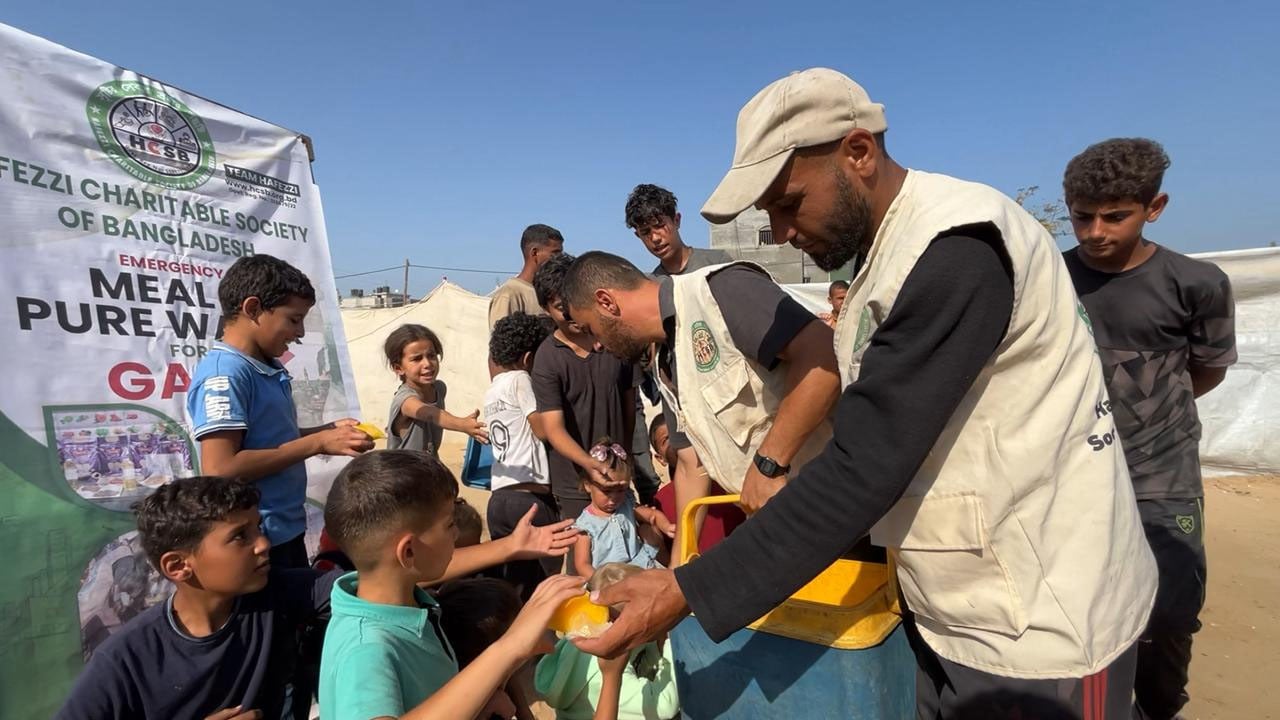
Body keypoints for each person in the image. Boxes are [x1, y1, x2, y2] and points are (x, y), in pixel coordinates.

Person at [573, 68, 1158, 720]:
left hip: (1044, 620)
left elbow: (867, 461)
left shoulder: (955, 246)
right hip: (962, 603)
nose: (781, 229)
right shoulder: (888, 257)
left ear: (858, 152)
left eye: (789, 203)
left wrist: (686, 589)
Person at [1062, 137, 1236, 720]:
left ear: (1154, 207)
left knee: (1170, 611)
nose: (1094, 232)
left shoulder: (1197, 283)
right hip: (1074, 470)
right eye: (1081, 217)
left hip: (1163, 472)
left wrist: (1147, 407)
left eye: (1115, 216)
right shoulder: (1052, 280)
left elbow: (1204, 371)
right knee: (1084, 604)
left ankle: (1160, 708)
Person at [559, 250, 839, 560]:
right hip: (785, 532)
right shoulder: (664, 362)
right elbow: (693, 464)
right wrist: (679, 573)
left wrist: (769, 464)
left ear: (606, 302)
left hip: (839, 512)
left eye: (591, 329)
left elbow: (823, 355)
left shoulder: (720, 292)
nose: (597, 344)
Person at [318, 450, 586, 720]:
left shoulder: (383, 592)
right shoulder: (366, 649)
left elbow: (421, 568)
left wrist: (511, 546)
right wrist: (511, 646)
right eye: (449, 525)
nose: (456, 533)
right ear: (409, 552)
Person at [56, 475, 339, 720]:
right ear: (178, 566)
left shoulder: (277, 593)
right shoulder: (125, 660)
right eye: (240, 536)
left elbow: (367, 587)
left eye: (258, 528)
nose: (263, 544)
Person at [188, 254, 375, 568]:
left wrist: (325, 432)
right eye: (293, 319)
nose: (299, 332)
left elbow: (268, 440)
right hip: (256, 544)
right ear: (253, 309)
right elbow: (221, 468)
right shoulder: (225, 374)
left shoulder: (265, 367)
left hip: (284, 531)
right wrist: (316, 444)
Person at [530, 253, 635, 547]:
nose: (570, 315)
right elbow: (553, 428)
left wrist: (627, 460)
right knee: (584, 565)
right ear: (545, 308)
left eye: (573, 303)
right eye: (560, 308)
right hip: (576, 482)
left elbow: (630, 407)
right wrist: (589, 465)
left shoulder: (614, 342)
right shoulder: (548, 359)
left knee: (626, 555)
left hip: (618, 475)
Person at [536, 563, 680, 720]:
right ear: (616, 622)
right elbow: (664, 706)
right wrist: (668, 645)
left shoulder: (581, 634)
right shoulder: (608, 667)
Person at [485, 311, 561, 598]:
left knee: (514, 586)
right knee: (544, 582)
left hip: (499, 500)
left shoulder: (493, 388)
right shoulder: (521, 379)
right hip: (529, 499)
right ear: (530, 359)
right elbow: (541, 428)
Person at [572, 439, 673, 577]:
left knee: (648, 530)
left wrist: (667, 527)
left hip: (640, 568)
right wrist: (599, 583)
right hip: (610, 579)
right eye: (607, 491)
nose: (614, 498)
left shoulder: (626, 505)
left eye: (620, 491)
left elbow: (651, 514)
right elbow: (582, 564)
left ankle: (671, 568)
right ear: (588, 486)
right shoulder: (585, 525)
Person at [384, 323, 488, 455]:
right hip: (403, 472)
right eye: (417, 359)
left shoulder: (439, 388)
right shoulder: (406, 401)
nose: (427, 364)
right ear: (399, 368)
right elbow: (432, 414)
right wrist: (462, 424)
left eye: (432, 356)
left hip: (429, 467)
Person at [647, 415, 744, 556]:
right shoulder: (661, 501)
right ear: (660, 458)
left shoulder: (728, 478)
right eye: (666, 439)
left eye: (681, 434)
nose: (676, 442)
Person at [625, 184, 731, 277]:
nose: (655, 238)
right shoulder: (652, 287)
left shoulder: (717, 263)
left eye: (660, 226)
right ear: (638, 235)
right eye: (645, 232)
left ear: (676, 220)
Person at [490, 223, 565, 330]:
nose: (560, 259)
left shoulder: (551, 291)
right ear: (534, 253)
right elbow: (501, 343)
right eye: (555, 253)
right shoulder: (509, 295)